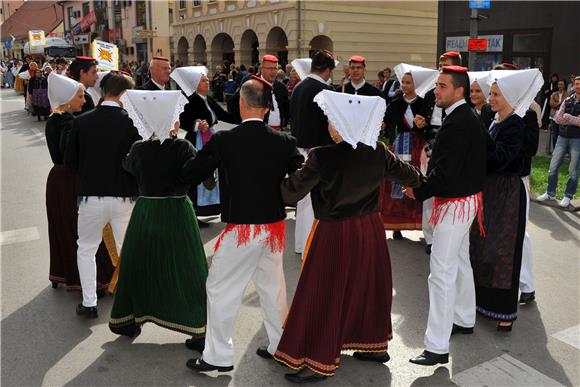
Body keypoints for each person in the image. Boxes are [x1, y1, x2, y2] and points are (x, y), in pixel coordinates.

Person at [274, 90, 423, 383]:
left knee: (324, 293)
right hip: (369, 230)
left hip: (334, 231)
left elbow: (290, 193)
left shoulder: (323, 156)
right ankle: (374, 346)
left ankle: (320, 359)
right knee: (365, 287)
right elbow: (413, 177)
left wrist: (286, 172)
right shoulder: (378, 151)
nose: (330, 124)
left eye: (332, 119)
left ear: (342, 123)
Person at [184, 78, 304, 373]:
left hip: (242, 228)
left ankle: (218, 356)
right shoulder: (285, 142)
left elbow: (193, 171)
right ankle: (279, 346)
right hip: (274, 228)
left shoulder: (225, 140)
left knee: (220, 288)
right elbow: (300, 174)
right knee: (273, 288)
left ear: (240, 104)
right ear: (266, 109)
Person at [109, 90, 208, 343]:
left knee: (138, 264)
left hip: (146, 212)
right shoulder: (183, 147)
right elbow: (199, 176)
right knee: (188, 268)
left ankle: (128, 320)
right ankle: (197, 327)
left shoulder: (140, 149)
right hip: (176, 212)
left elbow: (126, 165)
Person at [404, 66, 487, 366]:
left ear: (459, 91)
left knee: (440, 272)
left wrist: (419, 190)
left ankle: (437, 347)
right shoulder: (468, 117)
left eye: (441, 86)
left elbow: (445, 172)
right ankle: (464, 317)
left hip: (456, 204)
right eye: (436, 85)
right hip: (465, 201)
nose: (435, 91)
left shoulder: (459, 121)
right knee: (460, 261)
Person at [470, 68, 544, 332]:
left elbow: (503, 158)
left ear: (510, 95)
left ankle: (505, 311)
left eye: (496, 94)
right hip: (492, 190)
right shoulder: (496, 118)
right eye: (490, 93)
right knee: (484, 245)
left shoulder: (516, 122)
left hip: (508, 192)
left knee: (504, 251)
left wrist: (475, 154)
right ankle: (484, 302)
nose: (490, 98)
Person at [65, 73, 141, 318]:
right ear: (123, 94)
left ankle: (89, 303)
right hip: (124, 196)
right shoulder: (133, 122)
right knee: (127, 249)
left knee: (86, 248)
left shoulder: (82, 121)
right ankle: (131, 303)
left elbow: (71, 162)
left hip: (91, 196)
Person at [45, 72, 114, 293]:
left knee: (63, 229)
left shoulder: (54, 117)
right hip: (70, 179)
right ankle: (93, 280)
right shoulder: (67, 120)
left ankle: (65, 273)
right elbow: (69, 153)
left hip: (57, 178)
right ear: (67, 98)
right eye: (80, 97)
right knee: (84, 231)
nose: (84, 101)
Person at [172, 66, 239, 225]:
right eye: (203, 80)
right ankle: (194, 211)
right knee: (199, 173)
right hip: (196, 140)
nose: (207, 82)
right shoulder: (190, 99)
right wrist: (196, 125)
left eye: (207, 79)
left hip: (210, 137)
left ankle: (213, 207)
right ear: (195, 84)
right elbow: (183, 119)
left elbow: (222, 115)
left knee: (214, 173)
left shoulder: (206, 98)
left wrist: (245, 118)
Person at [380, 63, 438, 240]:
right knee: (398, 182)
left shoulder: (423, 103)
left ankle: (421, 222)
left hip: (420, 146)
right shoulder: (395, 104)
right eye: (402, 82)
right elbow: (386, 124)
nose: (404, 86)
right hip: (401, 144)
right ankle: (397, 224)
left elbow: (429, 123)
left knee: (419, 180)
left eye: (408, 83)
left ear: (416, 85)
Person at [289, 50, 336, 254]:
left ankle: (301, 244)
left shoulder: (299, 86)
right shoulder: (322, 90)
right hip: (317, 151)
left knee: (303, 202)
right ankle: (309, 247)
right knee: (312, 201)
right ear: (328, 70)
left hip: (301, 148)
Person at [415, 52, 462, 254]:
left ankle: (443, 234)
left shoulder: (459, 94)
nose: (441, 67)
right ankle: (430, 237)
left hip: (448, 146)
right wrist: (420, 124)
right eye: (440, 64)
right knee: (427, 191)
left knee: (443, 189)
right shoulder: (429, 94)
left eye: (446, 64)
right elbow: (422, 121)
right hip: (430, 144)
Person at [537, 76, 580, 208]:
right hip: (562, 137)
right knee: (553, 167)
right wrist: (572, 119)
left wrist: (568, 117)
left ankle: (568, 196)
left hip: (577, 139)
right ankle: (550, 193)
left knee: (573, 170)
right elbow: (557, 118)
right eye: (576, 84)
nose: (578, 86)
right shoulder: (567, 100)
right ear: (573, 85)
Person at [227, 55, 290, 131]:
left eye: (275, 68)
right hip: (258, 130)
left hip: (278, 131)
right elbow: (232, 102)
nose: (273, 71)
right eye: (270, 68)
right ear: (261, 69)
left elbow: (286, 106)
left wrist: (285, 122)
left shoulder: (281, 87)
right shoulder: (253, 84)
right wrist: (243, 121)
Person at [548, 79, 570, 148]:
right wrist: (561, 103)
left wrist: (557, 104)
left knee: (562, 134)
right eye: (559, 84)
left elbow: (568, 104)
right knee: (555, 134)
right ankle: (555, 148)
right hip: (554, 115)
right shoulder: (554, 93)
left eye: (561, 84)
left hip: (563, 116)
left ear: (564, 85)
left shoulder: (568, 94)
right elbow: (551, 104)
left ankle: (563, 149)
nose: (560, 86)